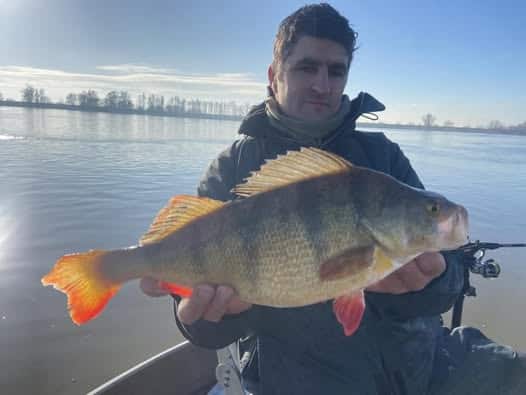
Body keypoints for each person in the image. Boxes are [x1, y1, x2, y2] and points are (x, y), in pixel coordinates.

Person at [142, 3, 526, 394]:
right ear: (274, 76)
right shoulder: (232, 168)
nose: (322, 85)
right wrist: (207, 319)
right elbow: (199, 325)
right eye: (306, 67)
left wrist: (434, 281)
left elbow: (447, 282)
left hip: (404, 379)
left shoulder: (383, 159)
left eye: (335, 70)